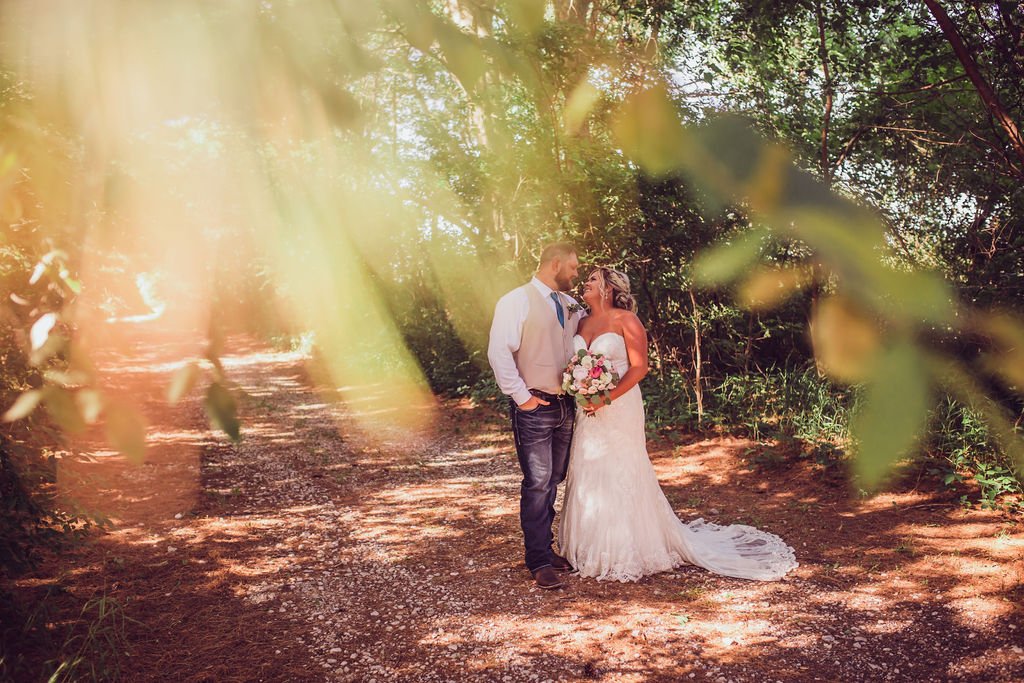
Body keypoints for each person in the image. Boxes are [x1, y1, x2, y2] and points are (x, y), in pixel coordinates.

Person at [558, 267, 798, 582]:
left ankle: (626, 549)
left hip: (618, 405)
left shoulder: (626, 320)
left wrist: (606, 397)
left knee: (621, 467)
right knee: (587, 465)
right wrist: (581, 388)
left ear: (609, 288)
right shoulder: (581, 322)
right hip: (586, 408)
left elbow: (639, 368)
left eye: (592, 279)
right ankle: (587, 546)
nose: (585, 283)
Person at [487, 242, 584, 590]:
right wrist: (522, 398)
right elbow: (499, 352)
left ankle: (546, 547)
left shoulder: (571, 305)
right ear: (555, 264)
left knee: (555, 478)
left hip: (566, 406)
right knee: (538, 482)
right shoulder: (515, 301)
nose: (576, 273)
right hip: (534, 406)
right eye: (573, 267)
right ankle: (538, 560)